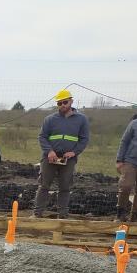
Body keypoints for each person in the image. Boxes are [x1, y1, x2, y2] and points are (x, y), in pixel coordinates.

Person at [33, 89, 90, 218]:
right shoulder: (50, 119)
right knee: (44, 185)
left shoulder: (81, 120)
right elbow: (42, 137)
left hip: (68, 159)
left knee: (65, 187)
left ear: (71, 101)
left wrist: (74, 152)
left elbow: (84, 139)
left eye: (65, 102)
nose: (62, 105)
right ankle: (37, 214)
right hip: (50, 157)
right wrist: (50, 151)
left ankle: (63, 215)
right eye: (59, 103)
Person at [115, 107, 137, 222]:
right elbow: (124, 141)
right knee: (126, 186)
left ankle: (135, 215)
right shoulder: (135, 124)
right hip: (131, 161)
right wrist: (119, 160)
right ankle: (120, 213)